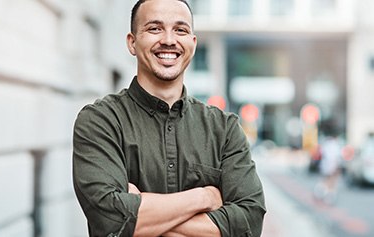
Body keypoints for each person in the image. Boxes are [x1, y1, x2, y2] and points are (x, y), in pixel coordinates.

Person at [72, 0, 266, 236]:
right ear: (132, 43)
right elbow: (111, 220)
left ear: (193, 44)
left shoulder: (224, 129)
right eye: (155, 28)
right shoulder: (101, 121)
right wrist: (204, 197)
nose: (168, 40)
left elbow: (249, 223)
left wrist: (140, 212)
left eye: (180, 30)